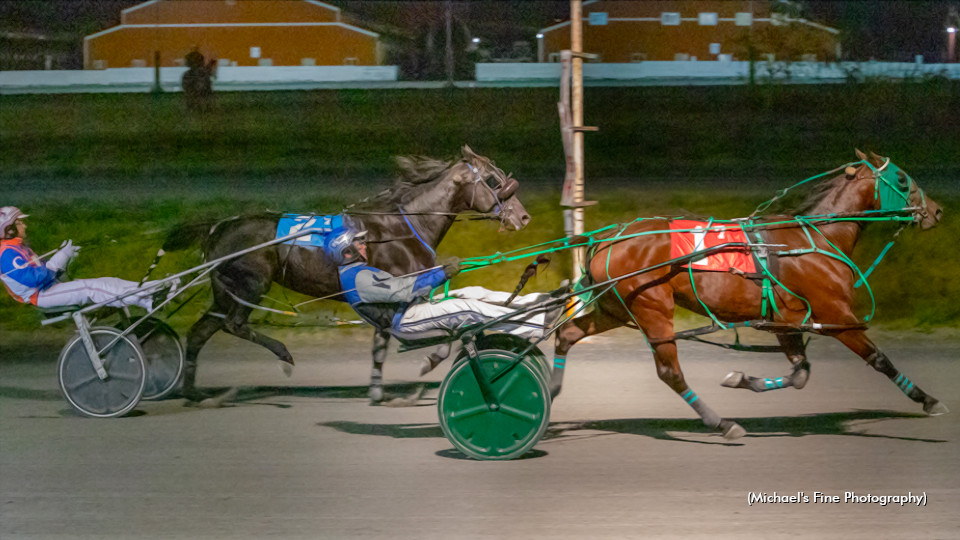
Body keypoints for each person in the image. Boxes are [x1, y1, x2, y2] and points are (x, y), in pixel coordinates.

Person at [324, 226, 563, 344]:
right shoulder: (356, 278)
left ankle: (538, 303)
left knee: (472, 292)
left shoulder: (356, 273)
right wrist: (442, 275)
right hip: (405, 320)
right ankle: (535, 324)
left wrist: (439, 271)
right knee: (467, 308)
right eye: (359, 243)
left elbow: (401, 286)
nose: (364, 245)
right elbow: (403, 290)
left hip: (411, 308)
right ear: (346, 252)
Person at [0, 206, 174, 311]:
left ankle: (156, 289)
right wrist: (60, 258)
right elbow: (32, 278)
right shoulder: (7, 254)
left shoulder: (18, 247)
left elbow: (43, 270)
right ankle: (149, 300)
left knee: (108, 281)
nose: (24, 225)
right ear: (9, 229)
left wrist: (66, 258)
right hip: (40, 295)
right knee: (92, 288)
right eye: (20, 223)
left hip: (47, 288)